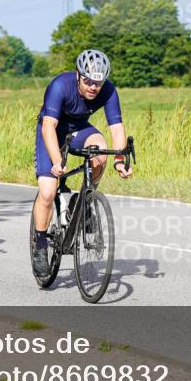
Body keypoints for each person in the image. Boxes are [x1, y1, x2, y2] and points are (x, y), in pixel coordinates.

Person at [31, 49, 133, 277]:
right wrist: (57, 161)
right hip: (52, 130)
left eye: (98, 82)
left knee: (100, 152)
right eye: (88, 81)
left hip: (79, 128)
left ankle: (85, 198)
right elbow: (48, 127)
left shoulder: (108, 90)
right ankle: (39, 244)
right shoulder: (61, 85)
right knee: (47, 192)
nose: (93, 87)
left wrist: (119, 160)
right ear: (78, 75)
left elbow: (116, 128)